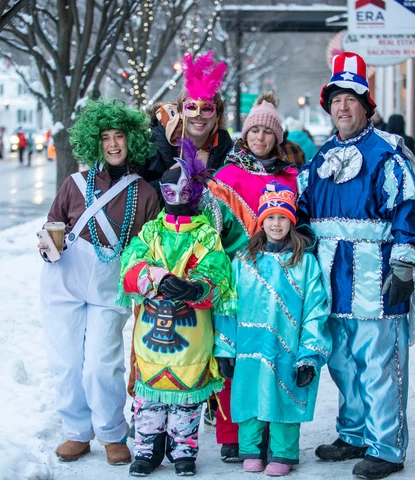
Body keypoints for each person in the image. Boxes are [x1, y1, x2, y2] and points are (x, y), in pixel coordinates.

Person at [297, 52, 415, 479]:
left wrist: (404, 265)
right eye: (336, 99)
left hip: (375, 280)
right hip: (331, 280)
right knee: (343, 364)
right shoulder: (321, 157)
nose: (343, 107)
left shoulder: (387, 154)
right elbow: (301, 211)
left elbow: (410, 209)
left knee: (379, 366)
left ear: (367, 106)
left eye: (351, 98)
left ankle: (386, 447)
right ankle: (353, 434)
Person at [38, 99, 160, 466]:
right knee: (66, 360)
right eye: (105, 137)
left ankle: (111, 432)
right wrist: (45, 245)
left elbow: (147, 248)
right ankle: (77, 431)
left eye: (119, 136)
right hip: (64, 281)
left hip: (110, 286)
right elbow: (51, 225)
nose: (112, 144)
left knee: (101, 363)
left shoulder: (147, 193)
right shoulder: (73, 184)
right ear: (94, 142)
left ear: (131, 140)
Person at [118, 138, 237, 477]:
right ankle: (147, 448)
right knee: (150, 396)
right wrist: (154, 277)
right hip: (154, 328)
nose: (177, 199)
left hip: (192, 330)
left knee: (187, 395)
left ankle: (183, 449)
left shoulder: (206, 235)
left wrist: (195, 285)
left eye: (185, 193)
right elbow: (130, 266)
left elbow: (217, 269)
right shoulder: (151, 232)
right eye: (171, 193)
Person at [214, 183, 332, 476]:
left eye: (282, 218)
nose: (276, 224)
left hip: (288, 349)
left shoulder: (305, 264)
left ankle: (283, 453)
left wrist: (309, 355)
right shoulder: (243, 261)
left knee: (285, 397)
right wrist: (226, 348)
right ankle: (251, 451)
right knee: (249, 395)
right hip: (249, 348)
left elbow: (315, 312)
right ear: (261, 221)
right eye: (270, 217)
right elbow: (228, 306)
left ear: (291, 222)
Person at [207, 91, 298, 462]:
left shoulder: (290, 177)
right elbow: (213, 232)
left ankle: (268, 433)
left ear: (278, 137)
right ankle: (232, 433)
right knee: (236, 356)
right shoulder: (226, 176)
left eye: (267, 131)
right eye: (254, 130)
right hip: (236, 278)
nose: (260, 137)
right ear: (244, 135)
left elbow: (299, 222)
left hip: (278, 278)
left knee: (273, 357)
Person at [141, 51, 232, 204]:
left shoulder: (225, 150)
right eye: (191, 107)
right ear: (181, 112)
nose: (198, 115)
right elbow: (141, 195)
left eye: (207, 109)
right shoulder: (156, 143)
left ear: (217, 115)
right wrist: (170, 178)